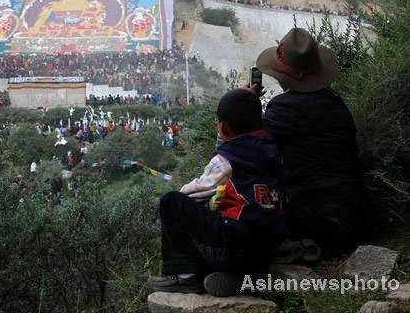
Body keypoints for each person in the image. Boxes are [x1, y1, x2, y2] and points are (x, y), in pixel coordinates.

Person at [148, 89, 286, 295]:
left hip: (235, 248)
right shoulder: (274, 149)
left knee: (172, 202)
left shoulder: (226, 161)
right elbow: (237, 138)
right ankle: (236, 277)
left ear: (221, 127)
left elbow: (192, 194)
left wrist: (184, 194)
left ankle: (184, 276)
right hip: (267, 249)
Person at [251, 27, 362, 258]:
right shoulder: (336, 103)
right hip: (352, 218)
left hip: (314, 219)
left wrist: (246, 103)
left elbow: (247, 147)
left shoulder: (285, 107)